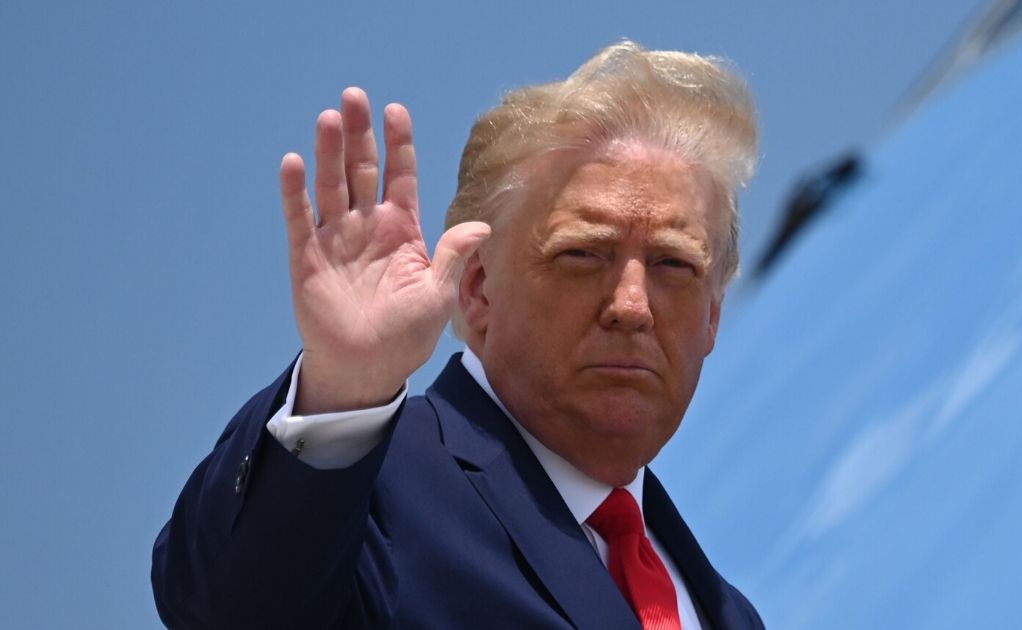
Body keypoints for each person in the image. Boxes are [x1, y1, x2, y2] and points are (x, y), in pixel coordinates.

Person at [152, 41, 763, 630]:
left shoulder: (724, 612)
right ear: (475, 288)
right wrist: (345, 382)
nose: (631, 306)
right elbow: (230, 608)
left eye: (674, 265)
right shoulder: (371, 489)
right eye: (582, 254)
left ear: (711, 316)